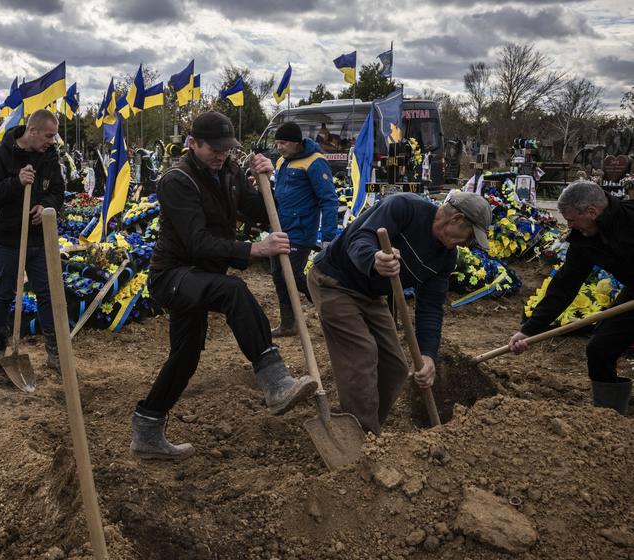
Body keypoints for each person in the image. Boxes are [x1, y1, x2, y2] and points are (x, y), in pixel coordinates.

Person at [130, 111, 318, 461]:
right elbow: (196, 242)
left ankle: (147, 430)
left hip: (204, 276)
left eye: (226, 149)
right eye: (213, 149)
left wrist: (267, 181)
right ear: (192, 143)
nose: (221, 155)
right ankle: (275, 381)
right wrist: (255, 250)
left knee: (185, 358)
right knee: (234, 291)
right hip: (174, 275)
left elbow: (263, 211)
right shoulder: (177, 180)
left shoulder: (229, 171)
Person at [307, 190, 491, 434]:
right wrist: (374, 258)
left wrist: (427, 355)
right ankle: (364, 437)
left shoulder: (445, 258)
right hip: (334, 281)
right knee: (362, 355)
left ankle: (366, 429)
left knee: (394, 367)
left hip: (371, 295)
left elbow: (431, 307)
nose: (467, 244)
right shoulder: (404, 207)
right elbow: (360, 238)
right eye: (469, 237)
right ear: (456, 219)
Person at [508, 181, 634, 414]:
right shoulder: (584, 240)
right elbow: (565, 285)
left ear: (592, 212)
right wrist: (530, 329)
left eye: (572, 220)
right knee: (600, 347)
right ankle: (610, 417)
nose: (569, 226)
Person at [0, 109, 65, 372]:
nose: (52, 141)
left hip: (39, 240)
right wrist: (16, 182)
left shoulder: (50, 157)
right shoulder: (0, 155)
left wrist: (45, 206)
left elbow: (58, 190)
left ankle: (54, 349)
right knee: (5, 292)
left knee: (46, 293)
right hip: (8, 238)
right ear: (33, 131)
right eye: (49, 136)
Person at [270, 122, 339, 336]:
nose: (279, 147)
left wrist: (328, 237)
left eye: (283, 143)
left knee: (294, 275)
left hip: (301, 231)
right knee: (278, 275)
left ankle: (332, 314)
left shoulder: (315, 162)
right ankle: (288, 324)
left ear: (297, 143)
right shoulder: (282, 161)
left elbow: (329, 200)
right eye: (277, 143)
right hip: (280, 229)